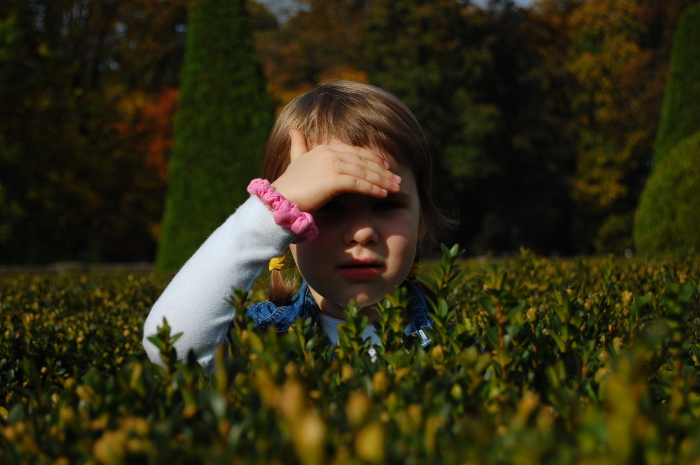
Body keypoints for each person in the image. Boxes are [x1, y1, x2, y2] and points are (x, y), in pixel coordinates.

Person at [143, 81, 452, 372]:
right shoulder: (263, 340)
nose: (361, 233)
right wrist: (270, 210)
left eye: (386, 205)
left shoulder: (458, 343)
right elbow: (174, 347)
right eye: (328, 206)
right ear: (289, 223)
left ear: (421, 219)